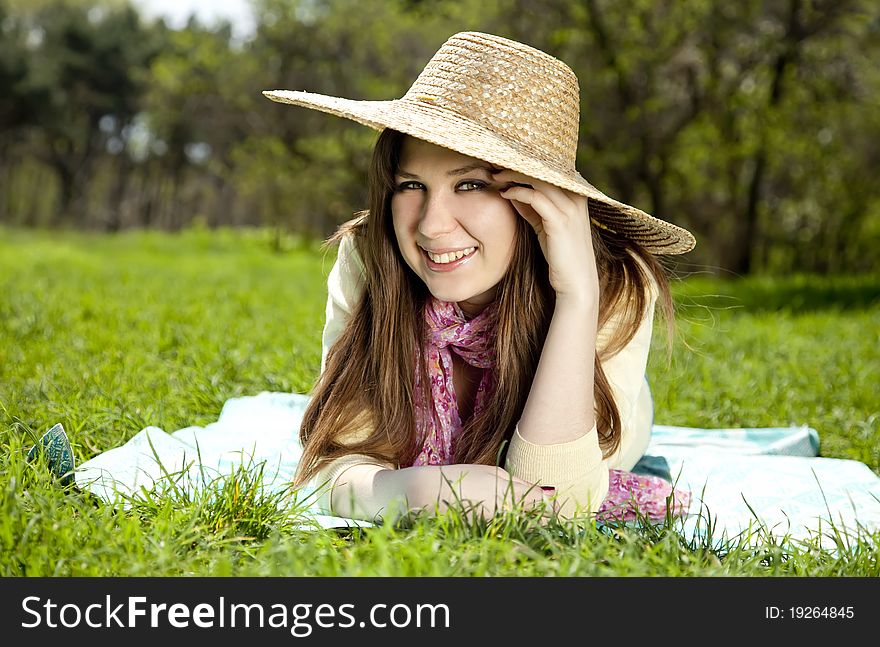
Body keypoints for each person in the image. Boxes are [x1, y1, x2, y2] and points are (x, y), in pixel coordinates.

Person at [262, 31, 696, 524]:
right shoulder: (372, 255)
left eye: (471, 184)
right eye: (411, 185)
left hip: (619, 414)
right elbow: (333, 458)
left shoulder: (614, 280)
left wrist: (576, 296)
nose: (430, 225)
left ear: (540, 199)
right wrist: (417, 490)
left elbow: (562, 500)